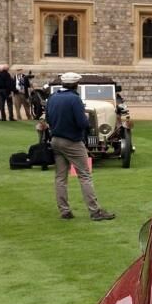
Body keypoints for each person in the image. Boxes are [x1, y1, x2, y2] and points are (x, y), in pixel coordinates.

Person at [41, 72, 115, 221]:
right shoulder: (74, 99)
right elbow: (82, 123)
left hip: (56, 140)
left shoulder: (52, 98)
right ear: (76, 85)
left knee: (61, 178)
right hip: (73, 141)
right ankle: (95, 211)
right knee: (85, 176)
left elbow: (48, 118)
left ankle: (64, 211)